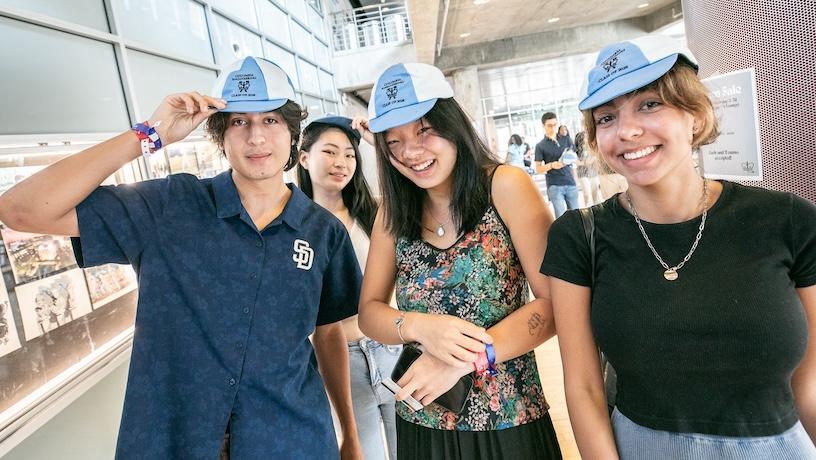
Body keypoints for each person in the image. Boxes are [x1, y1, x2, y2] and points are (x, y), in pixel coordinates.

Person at [0, 56, 364, 459]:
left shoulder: (324, 232)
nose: (256, 138)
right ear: (220, 136)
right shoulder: (170, 206)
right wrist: (148, 135)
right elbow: (22, 209)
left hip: (291, 438)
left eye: (271, 121)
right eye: (239, 122)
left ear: (293, 135)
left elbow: (328, 332)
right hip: (174, 439)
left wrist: (350, 435)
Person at [540, 35, 816, 459]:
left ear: (695, 115)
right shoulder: (580, 236)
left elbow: (811, 379)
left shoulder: (788, 220)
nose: (627, 130)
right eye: (607, 117)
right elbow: (583, 386)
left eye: (650, 104)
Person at [356, 62, 562, 460]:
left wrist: (466, 359)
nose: (410, 152)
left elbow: (555, 304)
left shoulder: (504, 186)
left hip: (508, 418)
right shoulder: (393, 213)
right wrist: (418, 326)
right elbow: (369, 313)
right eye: (392, 142)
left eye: (423, 131)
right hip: (422, 423)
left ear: (451, 124)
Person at [297, 116, 400, 460]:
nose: (341, 163)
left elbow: (414, 184)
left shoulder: (374, 214)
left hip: (393, 351)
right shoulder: (291, 225)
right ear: (303, 158)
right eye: (329, 151)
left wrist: (379, 145)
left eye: (349, 154)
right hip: (340, 364)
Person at [535, 113, 579, 218]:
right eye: (550, 125)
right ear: (543, 126)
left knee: (577, 217)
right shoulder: (540, 146)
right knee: (561, 218)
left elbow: (574, 160)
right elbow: (538, 169)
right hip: (554, 185)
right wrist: (551, 165)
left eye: (555, 124)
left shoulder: (566, 139)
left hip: (570, 182)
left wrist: (575, 180)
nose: (553, 128)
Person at [574, 131, 604, 206]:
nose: (586, 138)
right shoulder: (576, 150)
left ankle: (597, 209)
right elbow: (574, 161)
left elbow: (597, 155)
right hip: (582, 173)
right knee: (586, 192)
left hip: (593, 172)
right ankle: (587, 207)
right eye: (584, 137)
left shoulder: (592, 147)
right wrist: (584, 163)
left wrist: (592, 159)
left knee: (595, 192)